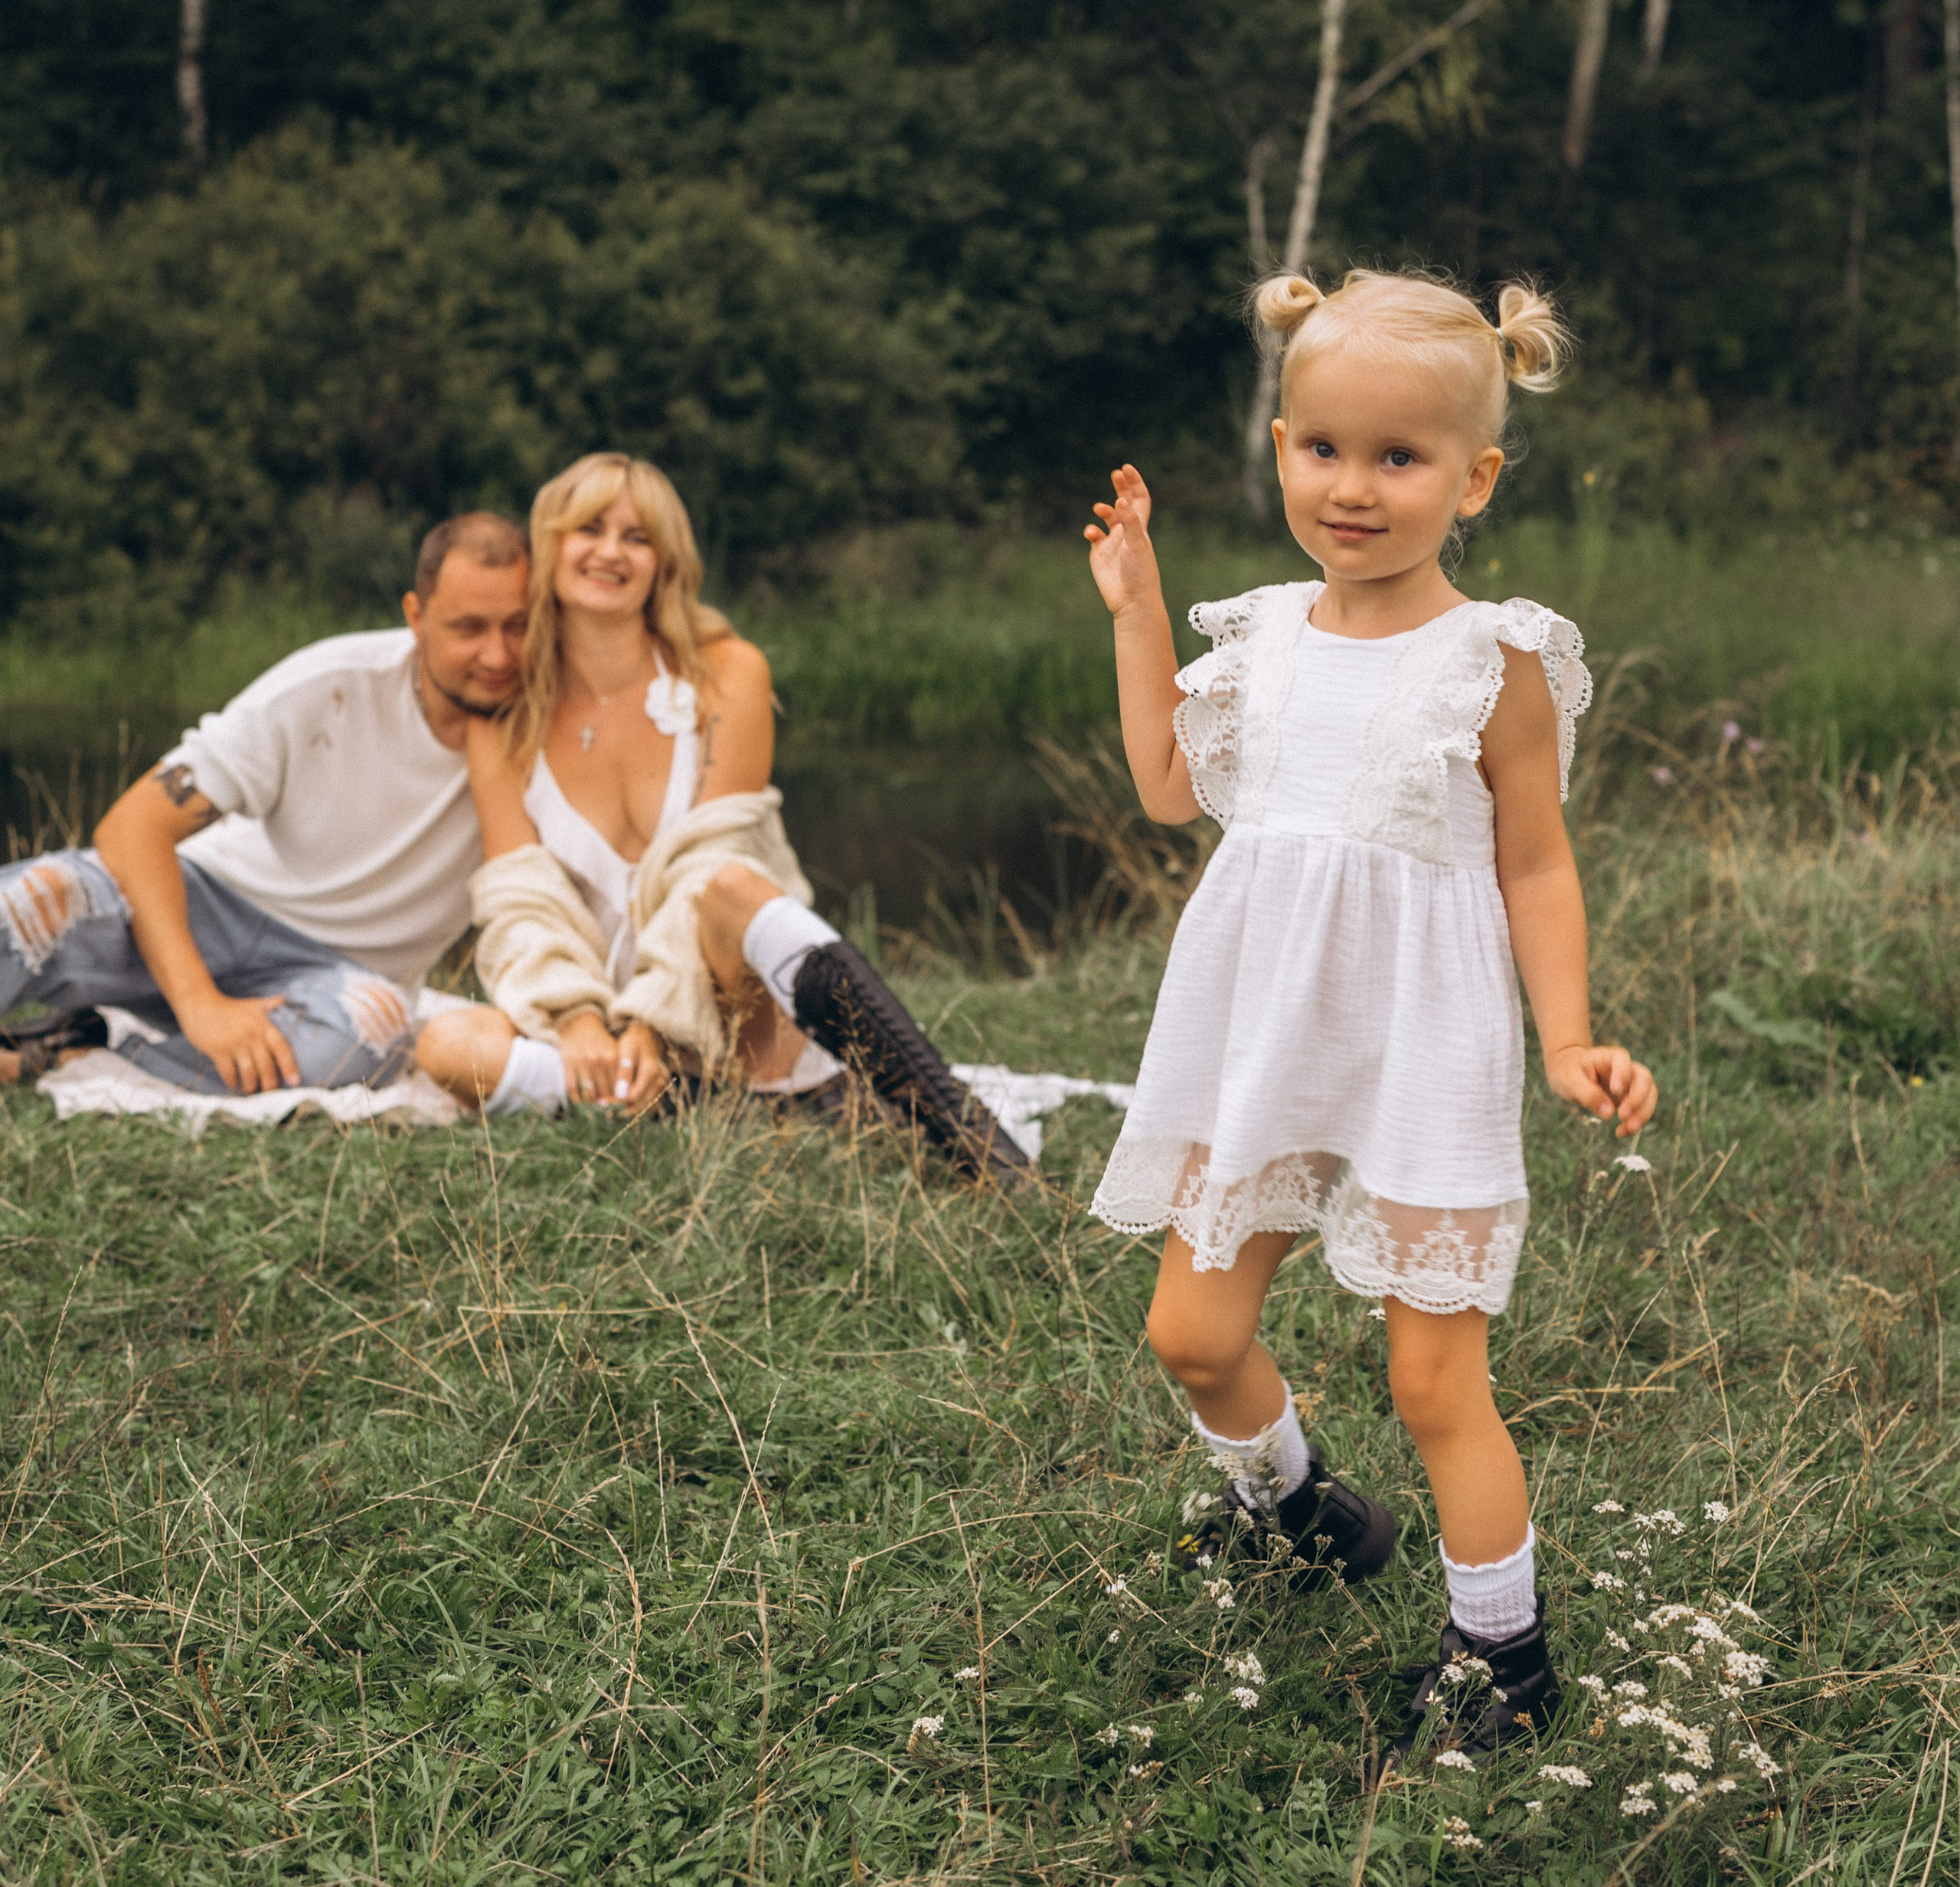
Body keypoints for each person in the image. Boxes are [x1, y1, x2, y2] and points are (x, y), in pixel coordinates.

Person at [1082, 268, 1657, 1757]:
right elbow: (1163, 787)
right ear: (1279, 448)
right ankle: (1300, 1509)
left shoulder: (1492, 658)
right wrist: (1138, 609)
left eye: (1396, 459)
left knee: (1430, 1373)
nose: (1351, 487)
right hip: (1260, 1034)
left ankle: (1498, 1662)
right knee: (1189, 1328)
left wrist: (1566, 1033)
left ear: (1471, 478)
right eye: (1321, 449)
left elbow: (1531, 858)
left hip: (1421, 1044)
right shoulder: (1261, 637)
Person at [415, 451, 1023, 1180]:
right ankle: (646, 1100)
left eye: (637, 537)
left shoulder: (728, 673)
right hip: (597, 1017)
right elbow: (520, 899)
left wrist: (653, 1021)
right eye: (589, 529)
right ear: (548, 547)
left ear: (664, 563)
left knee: (732, 883)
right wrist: (582, 1022)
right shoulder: (504, 720)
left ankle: (975, 1142)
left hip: (724, 1011)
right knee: (447, 1043)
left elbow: (710, 863)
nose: (611, 551)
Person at [0, 514, 531, 1095]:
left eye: (518, 626)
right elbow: (134, 826)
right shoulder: (331, 683)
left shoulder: (550, 733)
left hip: (332, 980)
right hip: (208, 898)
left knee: (372, 1030)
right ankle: (148, 1031)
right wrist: (200, 1002)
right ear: (416, 617)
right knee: (39, 896)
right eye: (469, 628)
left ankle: (67, 1060)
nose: (498, 654)